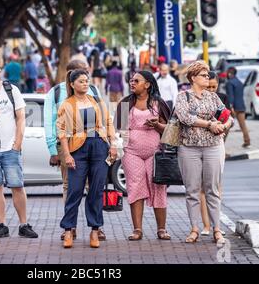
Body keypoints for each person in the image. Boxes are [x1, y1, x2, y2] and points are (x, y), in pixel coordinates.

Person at [44, 59, 107, 241]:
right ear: (70, 75)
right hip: (68, 146)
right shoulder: (56, 93)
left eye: (86, 73)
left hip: (93, 144)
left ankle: (96, 226)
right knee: (71, 187)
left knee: (93, 187)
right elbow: (50, 123)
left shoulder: (93, 91)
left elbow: (104, 119)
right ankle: (70, 228)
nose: (85, 78)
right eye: (80, 74)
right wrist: (54, 150)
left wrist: (109, 142)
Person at [174, 60, 233, 245]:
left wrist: (223, 126)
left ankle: (217, 229)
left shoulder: (213, 97)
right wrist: (209, 124)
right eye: (203, 75)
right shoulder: (183, 96)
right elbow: (185, 117)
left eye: (208, 75)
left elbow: (227, 116)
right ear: (193, 78)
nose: (207, 77)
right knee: (192, 190)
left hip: (213, 146)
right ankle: (194, 229)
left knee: (213, 190)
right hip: (188, 147)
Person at [57, 69, 117, 248]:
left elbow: (109, 123)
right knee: (74, 190)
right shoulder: (67, 104)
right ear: (72, 84)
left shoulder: (97, 102)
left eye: (86, 81)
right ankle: (68, 230)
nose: (85, 84)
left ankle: (94, 230)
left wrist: (113, 144)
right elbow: (62, 132)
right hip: (78, 149)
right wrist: (67, 154)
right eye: (81, 81)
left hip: (99, 146)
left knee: (96, 191)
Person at [0, 58, 39, 239]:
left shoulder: (11, 90)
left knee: (17, 186)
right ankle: (2, 225)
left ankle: (23, 224)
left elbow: (21, 118)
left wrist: (17, 144)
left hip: (11, 148)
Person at [115, 71, 171, 241]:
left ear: (147, 85)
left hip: (155, 153)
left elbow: (170, 131)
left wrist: (157, 125)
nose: (132, 83)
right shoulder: (125, 103)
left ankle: (161, 229)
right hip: (131, 152)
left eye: (136, 81)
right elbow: (120, 130)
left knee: (158, 188)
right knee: (135, 186)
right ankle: (137, 229)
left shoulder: (158, 103)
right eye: (131, 80)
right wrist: (118, 147)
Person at [200, 71, 230, 236]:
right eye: (208, 86)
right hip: (198, 146)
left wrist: (223, 135)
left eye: (214, 86)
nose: (211, 89)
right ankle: (206, 225)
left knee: (216, 186)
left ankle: (216, 224)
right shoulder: (196, 98)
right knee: (202, 188)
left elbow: (227, 120)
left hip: (217, 145)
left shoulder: (222, 99)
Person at [226, 66, 250, 147]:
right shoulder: (240, 82)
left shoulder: (230, 83)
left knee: (227, 125)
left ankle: (222, 143)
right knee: (243, 125)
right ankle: (247, 141)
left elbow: (231, 96)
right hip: (241, 106)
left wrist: (230, 107)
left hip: (233, 108)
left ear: (229, 74)